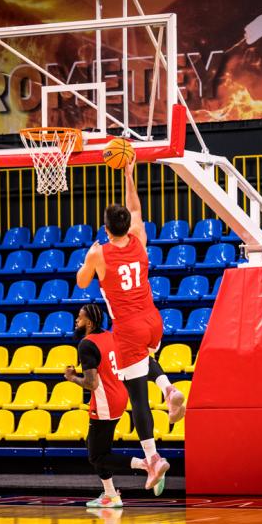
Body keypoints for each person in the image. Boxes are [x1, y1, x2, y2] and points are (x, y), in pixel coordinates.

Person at [76, 159, 185, 492]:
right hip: (154, 320)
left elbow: (82, 283)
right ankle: (168, 389)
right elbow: (135, 208)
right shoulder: (139, 236)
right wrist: (129, 173)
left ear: (106, 229)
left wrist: (90, 256)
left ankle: (153, 459)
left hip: (128, 327)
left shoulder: (99, 253)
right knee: (145, 366)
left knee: (137, 396)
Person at [64, 304, 162, 507]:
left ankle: (148, 465)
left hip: (105, 402)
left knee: (97, 456)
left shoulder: (86, 344)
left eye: (79, 318)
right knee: (97, 448)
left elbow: (92, 383)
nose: (76, 321)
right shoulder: (111, 336)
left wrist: (72, 378)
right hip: (119, 395)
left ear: (89, 323)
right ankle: (110, 494)